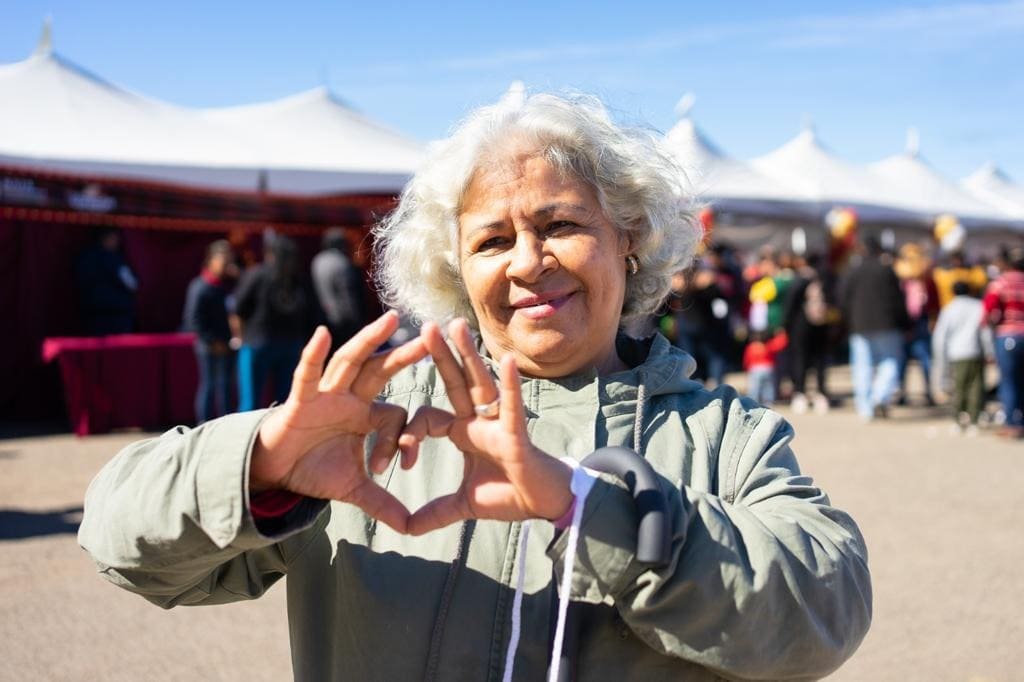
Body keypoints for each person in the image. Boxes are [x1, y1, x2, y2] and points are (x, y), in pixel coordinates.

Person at [79, 92, 871, 681]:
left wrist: (595, 513)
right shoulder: (374, 421)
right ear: (455, 266)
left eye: (560, 225)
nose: (529, 261)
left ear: (627, 239)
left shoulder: (719, 431)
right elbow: (119, 543)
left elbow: (825, 611)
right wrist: (264, 466)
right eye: (494, 239)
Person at [232, 234, 320, 411]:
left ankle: (249, 437)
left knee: (251, 401)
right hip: (288, 343)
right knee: (285, 401)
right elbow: (312, 313)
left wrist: (238, 336)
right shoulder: (298, 279)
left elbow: (238, 308)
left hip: (259, 342)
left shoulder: (257, 274)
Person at [842, 237, 910, 420]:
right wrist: (905, 322)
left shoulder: (854, 271)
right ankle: (880, 396)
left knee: (862, 366)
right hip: (887, 324)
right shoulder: (886, 271)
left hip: (860, 324)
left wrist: (847, 320)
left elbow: (843, 298)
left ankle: (865, 408)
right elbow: (898, 299)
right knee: (891, 361)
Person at [182, 240, 237, 423]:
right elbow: (193, 320)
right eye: (223, 260)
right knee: (209, 386)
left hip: (227, 345)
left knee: (226, 387)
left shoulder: (226, 286)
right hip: (208, 347)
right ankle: (203, 424)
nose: (226, 265)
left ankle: (226, 423)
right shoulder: (200, 286)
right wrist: (213, 342)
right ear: (211, 260)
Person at [931, 282, 993, 435]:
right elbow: (985, 331)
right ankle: (974, 420)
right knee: (976, 388)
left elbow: (940, 337)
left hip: (956, 354)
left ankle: (958, 420)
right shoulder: (978, 306)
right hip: (975, 352)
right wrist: (989, 351)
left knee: (958, 388)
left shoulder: (949, 309)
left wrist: (940, 359)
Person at [782, 253, 833, 413]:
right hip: (822, 325)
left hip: (800, 326)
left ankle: (800, 393)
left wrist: (786, 325)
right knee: (820, 361)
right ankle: (821, 394)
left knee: (800, 359)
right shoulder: (826, 278)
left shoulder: (799, 279)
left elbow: (790, 305)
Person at [982, 248, 1024, 438]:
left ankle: (1012, 423)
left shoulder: (1000, 283)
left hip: (1007, 336)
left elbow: (988, 312)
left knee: (1008, 381)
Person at [311, 227, 369, 352]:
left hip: (322, 318)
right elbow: (348, 295)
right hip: (343, 321)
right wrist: (358, 322)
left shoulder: (317, 261)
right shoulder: (342, 263)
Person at [74, 227, 139, 335]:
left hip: (91, 315)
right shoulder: (114, 259)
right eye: (115, 238)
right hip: (116, 317)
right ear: (106, 238)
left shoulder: (84, 257)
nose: (117, 241)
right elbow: (132, 284)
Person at [743, 329, 788, 406]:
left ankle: (753, 403)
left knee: (754, 388)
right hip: (768, 369)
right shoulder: (768, 346)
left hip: (755, 369)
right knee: (768, 387)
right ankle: (768, 402)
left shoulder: (751, 347)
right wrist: (782, 334)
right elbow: (781, 343)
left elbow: (746, 360)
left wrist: (746, 368)